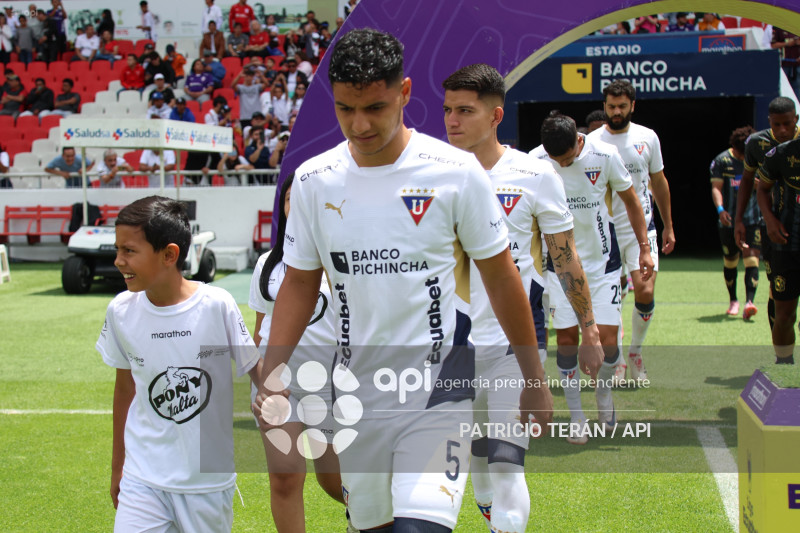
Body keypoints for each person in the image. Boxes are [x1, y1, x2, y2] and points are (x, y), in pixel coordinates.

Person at [253, 28, 553, 533]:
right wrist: (273, 372)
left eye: (374, 107)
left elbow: (504, 281)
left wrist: (533, 379)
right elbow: (300, 284)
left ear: (405, 92)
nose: (359, 124)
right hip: (358, 396)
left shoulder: (456, 172)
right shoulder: (313, 180)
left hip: (440, 391)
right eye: (346, 109)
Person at [442, 64, 603, 532]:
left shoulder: (535, 174)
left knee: (507, 463)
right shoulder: (431, 174)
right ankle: (489, 512)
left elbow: (565, 258)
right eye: (448, 110)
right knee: (475, 458)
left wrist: (589, 329)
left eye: (465, 111)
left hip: (513, 347)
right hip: (447, 349)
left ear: (496, 115)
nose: (452, 120)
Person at [98, 196, 261, 532]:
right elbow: (125, 389)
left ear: (169, 255)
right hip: (143, 477)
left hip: (206, 482)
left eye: (129, 251)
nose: (118, 260)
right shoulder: (120, 311)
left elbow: (256, 368)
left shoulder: (216, 305)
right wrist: (118, 466)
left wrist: (280, 401)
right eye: (117, 249)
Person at [534, 113, 653, 435]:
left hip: (602, 265)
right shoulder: (535, 161)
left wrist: (644, 247)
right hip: (559, 266)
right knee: (567, 341)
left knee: (608, 342)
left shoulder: (605, 155)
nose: (562, 164)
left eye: (568, 158)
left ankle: (603, 392)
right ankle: (576, 416)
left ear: (578, 139)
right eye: (557, 160)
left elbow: (632, 201)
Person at [248, 174, 347, 530]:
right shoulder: (267, 264)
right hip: (279, 387)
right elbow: (261, 329)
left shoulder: (341, 259)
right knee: (285, 477)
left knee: (335, 481)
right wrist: (263, 379)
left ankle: (373, 520)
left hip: (332, 386)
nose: (298, 204)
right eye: (291, 198)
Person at [587, 79, 675, 382]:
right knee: (610, 300)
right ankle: (618, 360)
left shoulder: (647, 137)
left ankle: (636, 351)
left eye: (622, 106)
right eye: (611, 106)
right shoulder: (592, 141)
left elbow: (659, 182)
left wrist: (668, 225)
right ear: (604, 105)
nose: (616, 112)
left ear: (632, 106)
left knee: (645, 291)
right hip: (605, 232)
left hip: (642, 228)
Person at [735, 97, 799, 331]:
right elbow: (747, 181)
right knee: (777, 290)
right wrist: (739, 220)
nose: (782, 130)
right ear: (769, 121)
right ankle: (780, 349)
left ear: (796, 120)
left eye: (787, 124)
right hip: (772, 226)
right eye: (776, 124)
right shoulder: (757, 144)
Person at [756, 136, 800, 365]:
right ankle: (784, 367)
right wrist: (770, 220)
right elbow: (762, 189)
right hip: (786, 245)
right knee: (784, 315)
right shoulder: (781, 154)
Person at [711, 126, 761, 319]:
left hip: (752, 218)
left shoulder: (758, 159)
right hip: (729, 219)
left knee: (752, 257)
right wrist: (720, 209)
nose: (743, 157)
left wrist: (759, 185)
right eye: (741, 154)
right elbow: (716, 188)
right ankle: (733, 300)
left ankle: (750, 302)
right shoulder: (722, 160)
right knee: (731, 260)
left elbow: (769, 187)